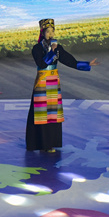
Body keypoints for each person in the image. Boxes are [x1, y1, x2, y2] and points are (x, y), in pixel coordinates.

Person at [26, 18, 98, 152]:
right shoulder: (37, 48)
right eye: (48, 31)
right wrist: (52, 52)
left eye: (52, 31)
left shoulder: (58, 48)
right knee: (41, 114)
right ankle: (41, 144)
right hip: (42, 82)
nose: (51, 34)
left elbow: (69, 60)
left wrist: (87, 64)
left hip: (53, 83)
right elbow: (41, 64)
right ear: (42, 33)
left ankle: (51, 143)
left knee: (52, 114)